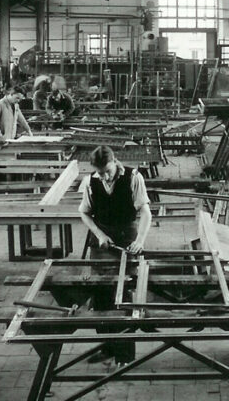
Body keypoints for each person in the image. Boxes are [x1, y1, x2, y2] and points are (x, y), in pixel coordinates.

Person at [78, 146, 152, 366]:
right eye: (100, 173)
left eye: (107, 171)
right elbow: (83, 212)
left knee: (123, 298)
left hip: (126, 239)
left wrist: (140, 241)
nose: (104, 176)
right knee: (100, 299)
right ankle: (108, 348)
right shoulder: (92, 181)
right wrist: (99, 234)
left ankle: (125, 356)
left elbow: (146, 212)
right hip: (102, 244)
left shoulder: (133, 177)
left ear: (115, 162)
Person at [0, 85, 33, 153]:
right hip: (0, 141)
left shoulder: (16, 105)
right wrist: (0, 135)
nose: (18, 101)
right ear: (11, 94)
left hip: (10, 140)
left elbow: (21, 119)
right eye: (17, 98)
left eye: (20, 99)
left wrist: (28, 130)